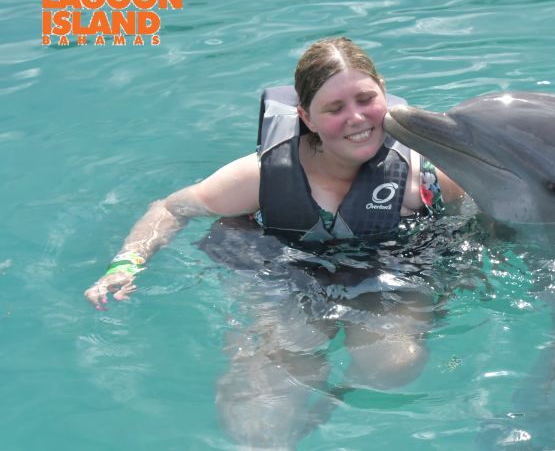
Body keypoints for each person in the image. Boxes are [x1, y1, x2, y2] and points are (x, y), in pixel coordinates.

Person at [84, 37, 465, 446]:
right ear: (307, 117)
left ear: (384, 92)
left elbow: (481, 226)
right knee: (262, 398)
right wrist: (125, 265)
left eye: (365, 99)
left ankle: (332, 403)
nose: (356, 117)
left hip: (388, 270)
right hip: (286, 270)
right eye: (334, 108)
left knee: (392, 367)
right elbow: (171, 209)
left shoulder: (425, 177)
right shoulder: (264, 175)